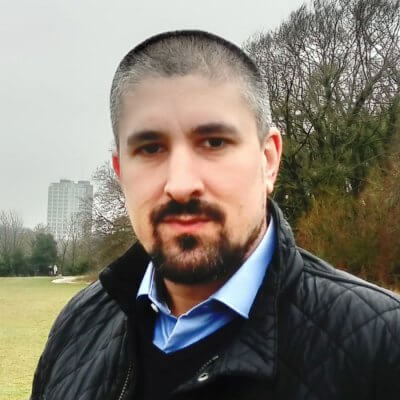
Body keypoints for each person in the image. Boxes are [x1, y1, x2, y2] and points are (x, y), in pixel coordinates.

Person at [30, 30, 400, 400]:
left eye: (214, 142)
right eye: (151, 148)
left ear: (269, 160)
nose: (180, 185)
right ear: (121, 172)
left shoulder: (383, 346)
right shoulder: (77, 327)